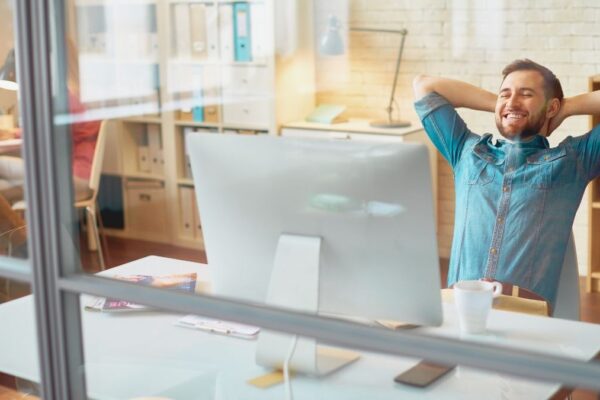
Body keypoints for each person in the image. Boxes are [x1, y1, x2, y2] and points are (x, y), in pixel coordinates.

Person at [412, 59, 600, 311]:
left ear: (551, 107)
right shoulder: (466, 151)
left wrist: (565, 108)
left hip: (524, 317)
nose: (512, 100)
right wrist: (504, 106)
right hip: (458, 309)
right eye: (506, 93)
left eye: (526, 94)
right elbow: (424, 86)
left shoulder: (573, 162)